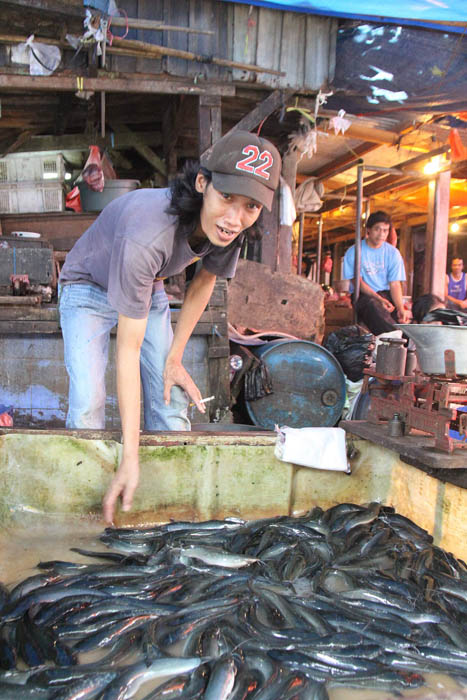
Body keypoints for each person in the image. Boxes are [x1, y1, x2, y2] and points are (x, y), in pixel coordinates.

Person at [59, 130, 281, 523]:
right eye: (226, 197)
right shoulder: (150, 234)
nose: (234, 218)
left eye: (250, 206)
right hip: (87, 287)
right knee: (89, 402)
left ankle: (169, 509)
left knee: (171, 394)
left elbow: (203, 282)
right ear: (202, 183)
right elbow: (127, 353)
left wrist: (175, 357)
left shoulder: (231, 229)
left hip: (149, 285)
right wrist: (130, 455)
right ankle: (88, 510)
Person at [342, 211, 410, 335]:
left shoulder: (393, 253)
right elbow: (358, 282)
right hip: (363, 296)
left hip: (386, 295)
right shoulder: (354, 252)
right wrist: (379, 299)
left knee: (398, 316)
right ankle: (398, 339)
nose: (381, 234)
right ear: (368, 230)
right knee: (372, 306)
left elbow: (394, 284)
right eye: (377, 229)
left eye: (385, 230)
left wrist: (400, 308)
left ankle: (400, 338)